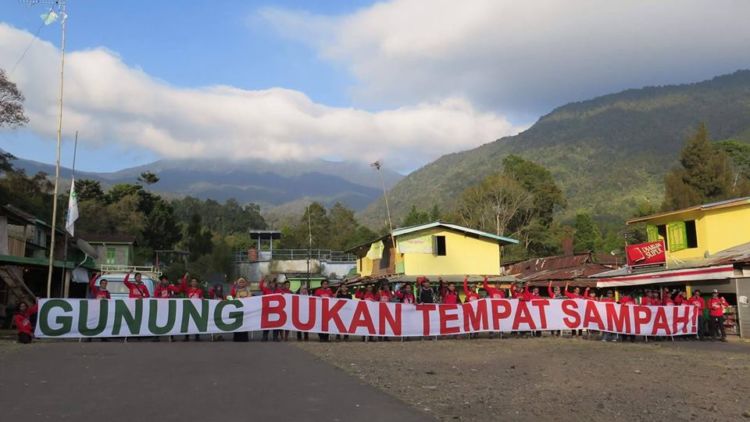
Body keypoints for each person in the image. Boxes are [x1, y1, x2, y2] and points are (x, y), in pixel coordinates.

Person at [181, 274, 204, 342]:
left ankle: (197, 336)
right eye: (192, 281)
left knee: (197, 323)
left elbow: (201, 297)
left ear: (197, 283)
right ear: (191, 283)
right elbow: (183, 286)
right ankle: (186, 337)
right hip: (189, 308)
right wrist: (184, 278)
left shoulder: (200, 290)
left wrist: (202, 298)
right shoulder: (188, 289)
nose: (193, 282)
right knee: (188, 322)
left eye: (195, 281)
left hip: (197, 308)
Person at [259, 278, 282, 342]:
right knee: (267, 324)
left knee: (276, 324)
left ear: (275, 284)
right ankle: (265, 337)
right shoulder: (266, 289)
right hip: (267, 309)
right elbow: (261, 287)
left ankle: (275, 337)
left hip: (276, 310)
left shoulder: (278, 290)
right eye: (271, 283)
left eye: (273, 283)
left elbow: (284, 296)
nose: (272, 284)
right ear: (269, 284)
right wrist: (263, 279)